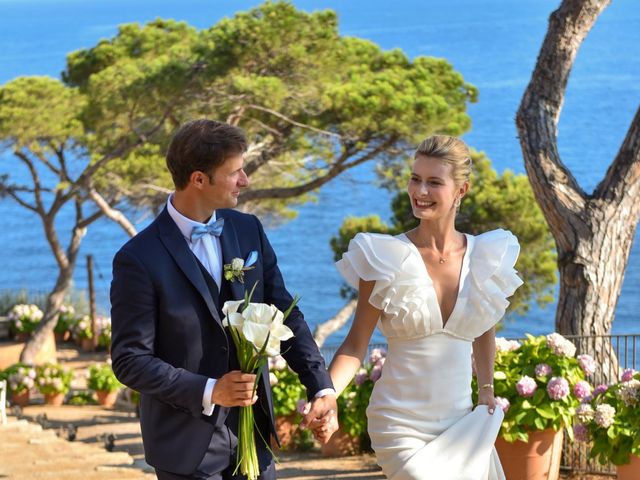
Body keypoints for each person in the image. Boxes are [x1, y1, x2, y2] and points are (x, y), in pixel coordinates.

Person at [110, 119, 337, 480]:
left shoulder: (248, 230)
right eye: (235, 172)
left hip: (254, 437)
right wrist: (210, 390)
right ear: (199, 179)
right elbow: (130, 361)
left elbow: (285, 313)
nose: (245, 181)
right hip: (185, 447)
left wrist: (320, 386)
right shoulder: (138, 258)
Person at [317, 135, 523, 479]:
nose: (420, 191)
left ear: (461, 190)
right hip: (399, 425)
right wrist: (327, 393)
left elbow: (484, 330)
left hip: (461, 426)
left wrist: (486, 390)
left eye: (433, 182)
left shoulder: (485, 257)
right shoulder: (384, 258)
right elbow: (356, 344)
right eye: (415, 178)